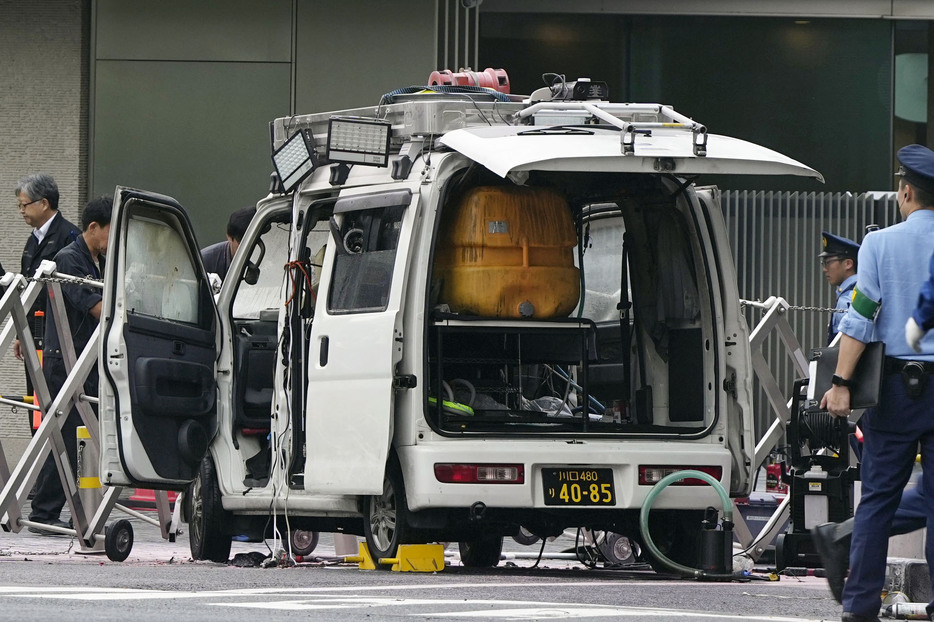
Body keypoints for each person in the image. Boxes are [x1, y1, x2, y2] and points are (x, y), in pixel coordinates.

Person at [819, 144, 934, 622]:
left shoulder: (879, 245)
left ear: (905, 191)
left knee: (878, 502)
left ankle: (859, 606)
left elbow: (860, 320)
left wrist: (841, 381)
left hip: (896, 390)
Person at [28, 196, 111, 534]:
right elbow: (96, 307)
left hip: (86, 361)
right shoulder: (68, 259)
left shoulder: (98, 260)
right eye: (110, 230)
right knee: (63, 432)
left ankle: (55, 508)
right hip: (66, 361)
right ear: (93, 227)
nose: (113, 239)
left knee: (77, 432)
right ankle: (43, 511)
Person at [13, 173, 79, 433]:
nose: (21, 211)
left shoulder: (68, 237)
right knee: (36, 405)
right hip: (34, 335)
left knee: (56, 404)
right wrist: (21, 332)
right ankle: (39, 465)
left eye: (24, 204)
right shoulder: (33, 240)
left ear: (43, 203)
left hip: (59, 338)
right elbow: (30, 288)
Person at [819, 231, 859, 345]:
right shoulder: (862, 290)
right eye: (823, 263)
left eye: (828, 262)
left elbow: (844, 345)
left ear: (848, 263)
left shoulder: (847, 299)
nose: (824, 269)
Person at [200, 206, 255, 281]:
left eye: (255, 243)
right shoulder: (204, 263)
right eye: (242, 244)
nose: (250, 249)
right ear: (229, 237)